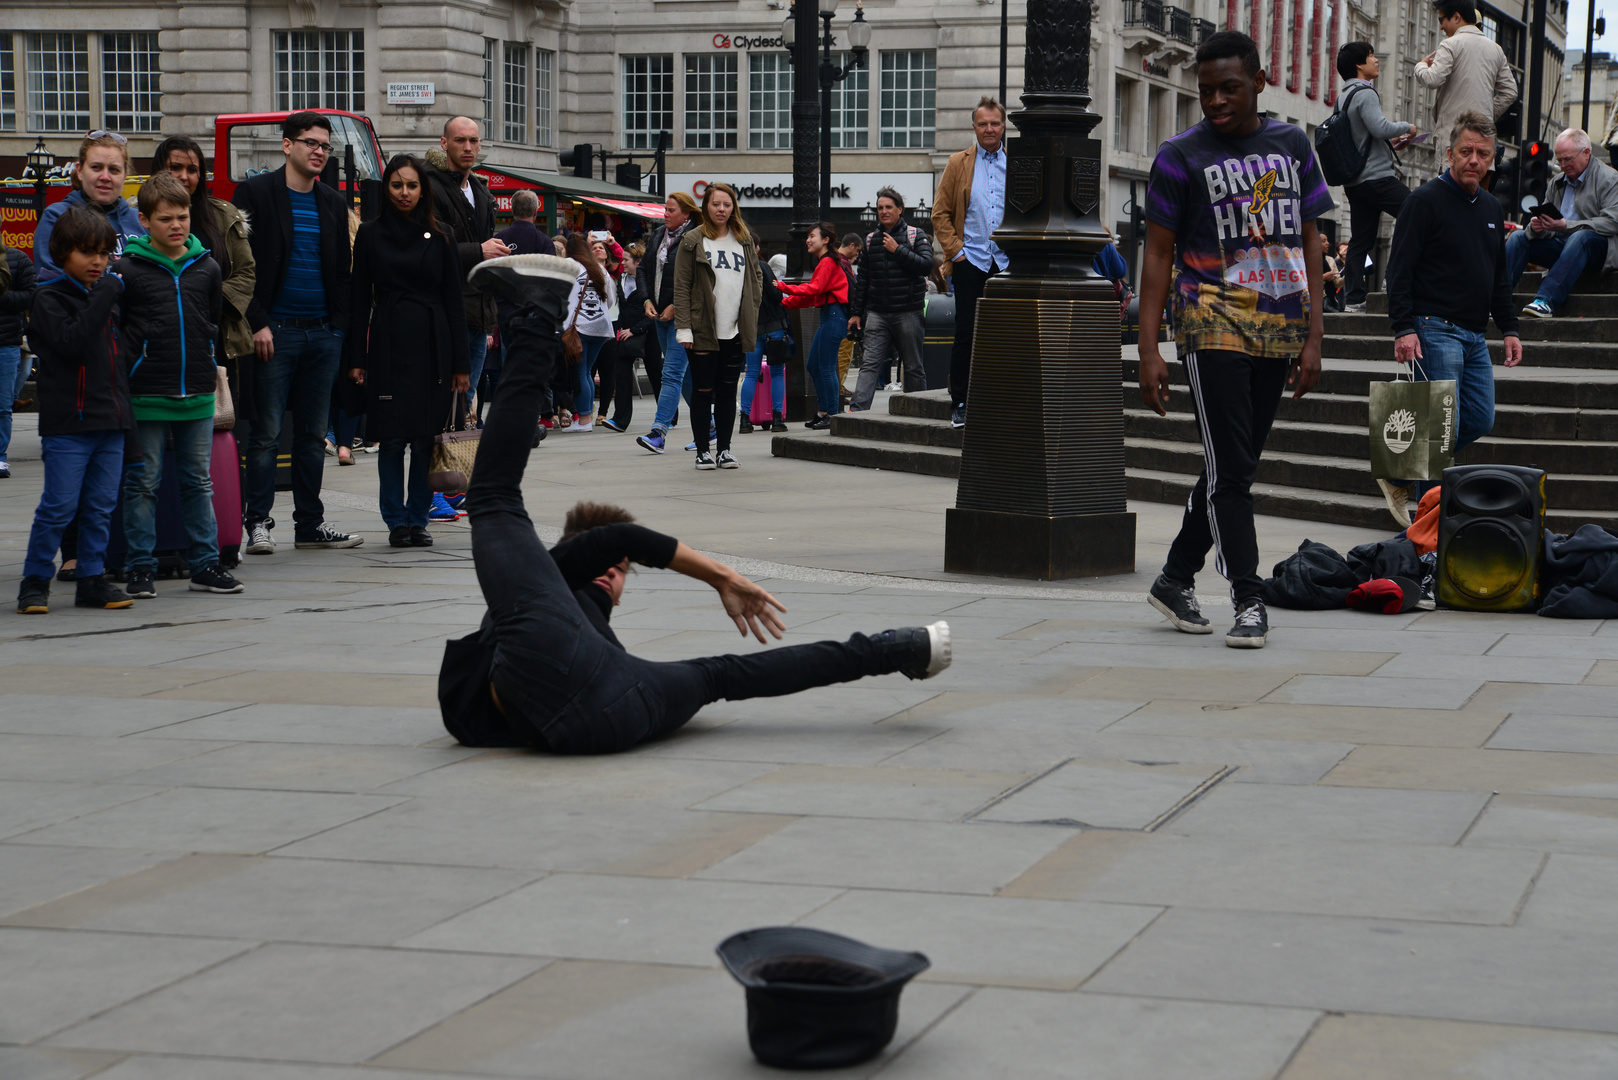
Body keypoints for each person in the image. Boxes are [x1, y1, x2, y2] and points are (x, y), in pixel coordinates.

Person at [437, 251, 953, 754]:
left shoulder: (551, 615)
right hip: (614, 710)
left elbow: (610, 549)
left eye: (618, 573)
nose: (609, 575)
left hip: (607, 703)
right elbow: (613, 542)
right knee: (719, 674)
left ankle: (899, 648)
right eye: (606, 567)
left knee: (497, 499)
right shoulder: (550, 587)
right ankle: (895, 649)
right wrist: (721, 577)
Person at [1137, 31, 1333, 650]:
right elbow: (1159, 256)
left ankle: (1174, 576)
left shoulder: (1292, 143)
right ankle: (1248, 597)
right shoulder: (1179, 155)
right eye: (1206, 91)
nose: (1216, 101)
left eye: (1229, 88)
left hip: (1278, 324)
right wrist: (1149, 349)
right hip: (1208, 316)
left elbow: (1310, 242)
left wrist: (1313, 337)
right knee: (1233, 471)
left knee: (1234, 464)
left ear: (1259, 82)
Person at [233, 111, 363, 555]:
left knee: (312, 436)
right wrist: (259, 322)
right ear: (287, 145)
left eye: (325, 146)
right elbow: (239, 269)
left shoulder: (331, 200)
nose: (319, 151)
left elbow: (344, 272)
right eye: (310, 142)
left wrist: (339, 330)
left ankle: (310, 524)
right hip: (276, 334)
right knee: (267, 434)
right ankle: (258, 522)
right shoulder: (254, 193)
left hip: (323, 335)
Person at [1384, 111, 1522, 523]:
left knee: (1480, 417)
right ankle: (1430, 529)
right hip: (1433, 329)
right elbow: (1399, 270)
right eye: (1466, 152)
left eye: (1482, 153)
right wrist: (1403, 328)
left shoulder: (1493, 208)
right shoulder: (1423, 201)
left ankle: (1402, 469)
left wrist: (1510, 328)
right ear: (1449, 153)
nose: (1474, 160)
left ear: (1492, 158)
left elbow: (1498, 276)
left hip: (1475, 336)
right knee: (1439, 431)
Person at [115, 173, 243, 600]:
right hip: (147, 390)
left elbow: (209, 321)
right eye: (166, 218)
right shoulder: (127, 270)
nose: (176, 225)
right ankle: (139, 567)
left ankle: (205, 564)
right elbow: (120, 328)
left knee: (198, 482)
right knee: (143, 483)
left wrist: (206, 360)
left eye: (183, 216)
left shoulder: (206, 266)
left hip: (198, 390)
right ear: (144, 220)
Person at [346, 154, 470, 550]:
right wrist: (356, 359)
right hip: (387, 340)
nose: (404, 193)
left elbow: (455, 301)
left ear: (423, 189)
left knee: (424, 438)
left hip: (434, 344)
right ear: (386, 188)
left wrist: (461, 365)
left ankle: (419, 517)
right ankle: (395, 519)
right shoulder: (369, 233)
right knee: (392, 437)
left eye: (412, 185)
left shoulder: (444, 235)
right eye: (397, 185)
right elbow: (358, 299)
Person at [16, 208, 133, 613]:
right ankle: (34, 581)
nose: (98, 262)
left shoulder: (107, 298)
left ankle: (91, 579)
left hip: (111, 420)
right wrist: (104, 295)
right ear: (63, 253)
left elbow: (120, 354)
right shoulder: (48, 298)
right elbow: (71, 342)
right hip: (69, 424)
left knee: (101, 506)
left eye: (104, 253)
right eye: (87, 253)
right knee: (60, 505)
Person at [153, 135, 257, 465]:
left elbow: (246, 273)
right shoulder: (140, 217)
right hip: (159, 349)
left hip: (218, 344)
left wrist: (202, 298)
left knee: (215, 444)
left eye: (192, 169)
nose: (184, 176)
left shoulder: (224, 216)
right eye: (175, 168)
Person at [672, 182, 761, 470]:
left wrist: (751, 314)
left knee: (726, 392)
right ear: (705, 207)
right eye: (715, 204)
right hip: (701, 329)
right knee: (702, 391)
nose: (721, 209)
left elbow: (756, 279)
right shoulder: (692, 240)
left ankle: (724, 449)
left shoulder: (743, 239)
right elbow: (682, 287)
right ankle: (702, 451)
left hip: (734, 330)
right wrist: (683, 327)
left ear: (733, 207)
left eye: (727, 204)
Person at [933, 97, 1009, 430]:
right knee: (966, 334)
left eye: (995, 123)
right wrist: (957, 253)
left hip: (1007, 263)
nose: (989, 129)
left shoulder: (1019, 163)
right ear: (974, 127)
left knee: (1006, 336)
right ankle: (961, 402)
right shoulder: (957, 163)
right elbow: (940, 213)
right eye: (983, 124)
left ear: (1004, 125)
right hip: (971, 261)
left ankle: (1000, 399)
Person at [427, 117, 509, 416]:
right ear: (444, 143)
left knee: (465, 401)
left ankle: (457, 460)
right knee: (445, 402)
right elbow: (427, 249)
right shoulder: (430, 185)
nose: (468, 147)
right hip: (448, 311)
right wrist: (480, 250)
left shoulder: (481, 191)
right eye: (460, 140)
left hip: (479, 310)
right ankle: (441, 460)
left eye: (473, 141)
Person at [1334, 42, 1421, 312]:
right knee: (1417, 211)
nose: (1376, 60)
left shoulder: (1343, 96)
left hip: (1356, 182)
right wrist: (1408, 127)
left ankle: (1354, 299)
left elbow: (1364, 137)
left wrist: (1392, 144)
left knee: (1360, 240)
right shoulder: (1365, 92)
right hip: (1377, 178)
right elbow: (1379, 127)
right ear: (1359, 65)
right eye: (1370, 56)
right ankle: (1393, 279)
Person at [1507, 128, 1618, 318]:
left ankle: (1546, 300)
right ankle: (1496, 298)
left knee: (1580, 236)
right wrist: (1537, 228)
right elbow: (1549, 223)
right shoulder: (1557, 182)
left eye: (1568, 159)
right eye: (1559, 160)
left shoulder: (1610, 179)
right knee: (1518, 237)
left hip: (1597, 249)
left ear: (1586, 153)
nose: (1563, 165)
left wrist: (1566, 225)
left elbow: (1612, 222)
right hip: (1562, 246)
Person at [848, 188, 933, 411]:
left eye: (888, 207)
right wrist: (857, 312)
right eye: (880, 208)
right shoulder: (870, 240)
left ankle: (918, 412)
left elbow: (926, 265)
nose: (883, 211)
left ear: (900, 210)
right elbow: (863, 279)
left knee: (913, 366)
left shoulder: (916, 235)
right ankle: (856, 413)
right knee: (869, 364)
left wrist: (898, 250)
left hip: (908, 311)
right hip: (877, 313)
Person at [634, 191, 700, 454]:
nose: (666, 214)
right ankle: (709, 427)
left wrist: (677, 306)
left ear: (686, 213)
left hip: (684, 317)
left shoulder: (696, 236)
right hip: (660, 315)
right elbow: (642, 269)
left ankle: (659, 432)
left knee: (671, 373)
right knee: (684, 378)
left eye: (671, 210)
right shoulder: (660, 234)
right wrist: (646, 300)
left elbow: (698, 279)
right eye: (665, 209)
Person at [32, 131, 145, 283]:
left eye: (114, 170)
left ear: (125, 175)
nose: (105, 177)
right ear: (79, 170)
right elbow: (52, 281)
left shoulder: (140, 220)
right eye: (96, 167)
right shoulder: (56, 216)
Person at [1414, 0, 1517, 150]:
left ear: (1456, 17)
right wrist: (1484, 115)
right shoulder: (1496, 49)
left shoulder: (1449, 44)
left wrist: (1420, 66)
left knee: (1452, 173)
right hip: (1483, 142)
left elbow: (1432, 79)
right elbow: (1510, 92)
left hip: (1454, 142)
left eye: (1441, 20)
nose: (1441, 26)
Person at [776, 222, 851, 430]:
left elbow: (814, 288)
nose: (808, 240)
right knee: (814, 366)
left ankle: (832, 414)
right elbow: (813, 296)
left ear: (825, 240)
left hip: (834, 316)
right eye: (807, 236)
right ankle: (825, 412)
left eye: (812, 236)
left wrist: (782, 287)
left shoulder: (827, 262)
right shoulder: (826, 262)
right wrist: (783, 301)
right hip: (830, 316)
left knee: (825, 367)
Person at [560, 234, 615, 433]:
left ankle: (584, 420)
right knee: (587, 372)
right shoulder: (600, 269)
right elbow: (609, 301)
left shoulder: (568, 265)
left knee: (581, 373)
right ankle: (586, 418)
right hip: (601, 328)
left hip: (579, 327)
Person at [598, 250, 654, 433]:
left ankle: (668, 416)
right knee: (621, 374)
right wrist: (622, 328)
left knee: (656, 374)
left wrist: (635, 330)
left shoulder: (649, 281)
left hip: (647, 332)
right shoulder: (621, 279)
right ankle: (620, 419)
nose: (623, 262)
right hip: (624, 333)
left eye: (626, 260)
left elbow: (654, 312)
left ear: (638, 262)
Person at [738, 251, 791, 435]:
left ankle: (745, 418)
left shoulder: (738, 268)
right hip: (773, 326)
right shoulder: (762, 266)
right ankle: (777, 417)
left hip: (752, 327)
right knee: (777, 372)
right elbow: (777, 296)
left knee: (751, 373)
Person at [0, 239, 36, 478]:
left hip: (6, 343)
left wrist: (2, 296)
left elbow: (31, 295)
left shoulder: (18, 259)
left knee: (2, 405)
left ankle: (0, 457)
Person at [1320, 233, 1344, 312]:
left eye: (1327, 241)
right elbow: (1305, 280)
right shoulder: (1308, 259)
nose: (1327, 243)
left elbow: (1337, 282)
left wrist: (1346, 277)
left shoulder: (1330, 260)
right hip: (1317, 300)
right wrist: (1323, 277)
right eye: (1324, 241)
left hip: (1331, 299)